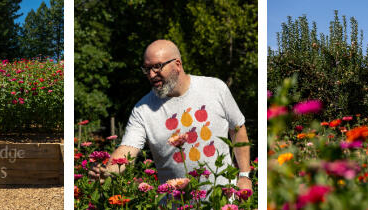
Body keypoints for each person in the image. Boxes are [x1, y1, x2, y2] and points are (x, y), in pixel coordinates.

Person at [90, 40, 253, 190]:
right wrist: (108, 170)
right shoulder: (143, 109)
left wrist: (244, 176)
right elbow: (127, 149)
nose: (151, 74)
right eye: (147, 69)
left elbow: (237, 129)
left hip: (224, 206)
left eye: (157, 66)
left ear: (177, 64)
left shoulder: (215, 88)